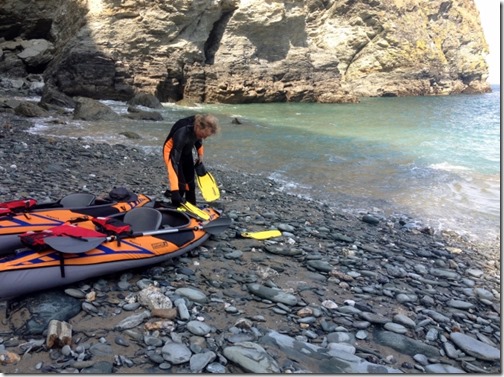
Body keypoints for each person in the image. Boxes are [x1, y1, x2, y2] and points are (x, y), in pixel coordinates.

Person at [162, 113, 219, 207]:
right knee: (181, 184)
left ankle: (192, 206)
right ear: (198, 127)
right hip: (172, 152)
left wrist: (200, 154)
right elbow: (173, 165)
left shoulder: (199, 125)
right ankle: (175, 204)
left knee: (190, 184)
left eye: (206, 137)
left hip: (186, 151)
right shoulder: (182, 132)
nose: (204, 138)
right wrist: (175, 190)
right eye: (204, 135)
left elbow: (198, 139)